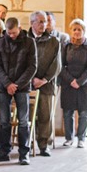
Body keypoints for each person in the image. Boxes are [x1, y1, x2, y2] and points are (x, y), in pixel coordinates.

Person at [0, 17, 37, 165]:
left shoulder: (29, 42)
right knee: (4, 120)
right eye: (9, 33)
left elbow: (32, 67)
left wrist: (16, 84)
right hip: (4, 86)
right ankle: (4, 151)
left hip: (21, 87)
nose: (11, 36)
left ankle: (24, 153)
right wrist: (8, 83)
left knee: (23, 121)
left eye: (14, 33)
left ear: (20, 28)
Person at [27, 11, 61, 157]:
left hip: (46, 85)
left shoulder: (54, 41)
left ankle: (43, 145)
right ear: (32, 23)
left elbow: (57, 64)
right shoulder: (25, 40)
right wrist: (31, 79)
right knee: (27, 117)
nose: (43, 25)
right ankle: (28, 144)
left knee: (45, 116)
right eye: (40, 22)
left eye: (45, 22)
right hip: (27, 84)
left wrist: (44, 80)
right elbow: (21, 61)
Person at [58, 19, 87, 148]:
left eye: (79, 29)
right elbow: (61, 66)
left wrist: (79, 82)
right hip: (68, 84)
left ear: (83, 31)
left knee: (84, 113)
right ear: (71, 31)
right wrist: (71, 80)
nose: (77, 32)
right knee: (68, 113)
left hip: (84, 84)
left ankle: (81, 139)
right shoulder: (66, 46)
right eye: (74, 29)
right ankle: (69, 138)